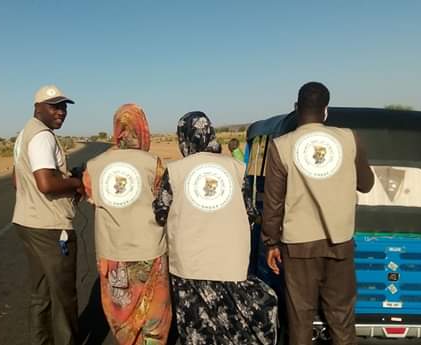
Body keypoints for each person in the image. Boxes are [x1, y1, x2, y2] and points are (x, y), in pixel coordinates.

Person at [262, 82, 374, 345]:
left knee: (300, 321)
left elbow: (273, 203)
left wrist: (271, 243)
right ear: (325, 111)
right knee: (342, 321)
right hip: (340, 243)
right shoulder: (349, 138)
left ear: (296, 108)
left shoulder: (282, 145)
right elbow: (366, 184)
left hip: (298, 247)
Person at [153, 111, 277, 345]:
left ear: (183, 137)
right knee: (230, 325)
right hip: (230, 260)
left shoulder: (176, 170)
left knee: (196, 328)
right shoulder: (236, 168)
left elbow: (161, 213)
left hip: (190, 264)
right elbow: (250, 212)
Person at [82, 104, 172, 345]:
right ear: (142, 129)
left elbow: (92, 199)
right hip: (150, 254)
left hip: (112, 255)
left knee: (122, 317)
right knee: (154, 321)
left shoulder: (93, 167)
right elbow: (165, 205)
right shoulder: (154, 164)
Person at [12, 84, 83, 345]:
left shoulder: (24, 135)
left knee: (41, 293)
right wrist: (76, 183)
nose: (61, 112)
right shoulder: (42, 136)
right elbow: (46, 184)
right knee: (63, 297)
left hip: (26, 222)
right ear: (37, 108)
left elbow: (17, 180)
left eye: (64, 106)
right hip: (51, 228)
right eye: (54, 106)